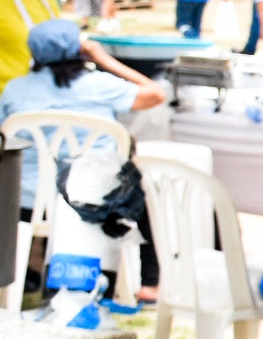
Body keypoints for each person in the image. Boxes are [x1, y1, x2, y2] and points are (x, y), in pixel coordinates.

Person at [0, 19, 165, 215]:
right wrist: (104, 59)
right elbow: (157, 94)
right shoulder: (102, 85)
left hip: (27, 200)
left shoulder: (15, 90)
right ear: (79, 48)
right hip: (94, 198)